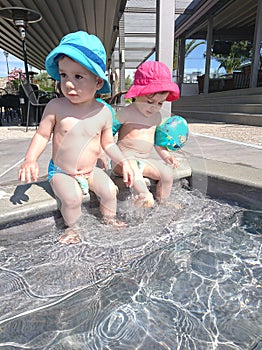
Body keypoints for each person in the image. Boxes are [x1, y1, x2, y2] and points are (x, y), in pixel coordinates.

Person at [18, 31, 133, 245]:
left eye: (78, 77)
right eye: (64, 75)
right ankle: (73, 228)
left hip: (89, 171)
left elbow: (107, 143)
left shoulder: (104, 112)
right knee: (72, 199)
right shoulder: (56, 107)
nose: (69, 84)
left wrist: (123, 160)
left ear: (98, 82)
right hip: (62, 172)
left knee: (110, 191)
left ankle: (109, 219)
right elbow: (42, 135)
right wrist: (30, 159)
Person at [112, 61, 188, 208]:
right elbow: (107, 134)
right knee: (132, 164)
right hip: (123, 162)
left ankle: (164, 201)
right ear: (137, 94)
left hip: (143, 162)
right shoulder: (126, 113)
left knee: (167, 173)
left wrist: (166, 156)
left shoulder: (157, 117)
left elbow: (158, 142)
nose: (154, 107)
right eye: (149, 101)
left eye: (160, 103)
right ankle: (144, 194)